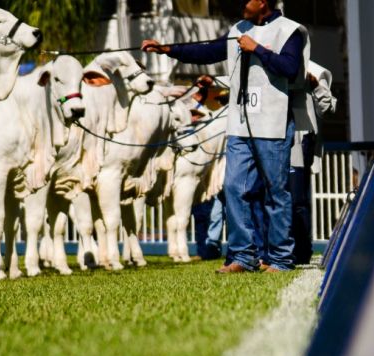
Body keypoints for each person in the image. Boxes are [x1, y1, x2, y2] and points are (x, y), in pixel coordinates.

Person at [143, 0, 309, 273]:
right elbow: (206, 51)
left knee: (275, 193)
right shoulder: (237, 30)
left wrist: (258, 49)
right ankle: (242, 257)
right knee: (233, 187)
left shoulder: (289, 30)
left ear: (262, 2)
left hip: (273, 123)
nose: (240, 4)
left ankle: (280, 258)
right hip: (240, 124)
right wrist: (167, 49)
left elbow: (290, 69)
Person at [289, 61, 337, 264]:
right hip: (270, 137)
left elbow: (328, 108)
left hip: (300, 139)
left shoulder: (315, 69)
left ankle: (301, 251)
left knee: (296, 199)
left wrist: (316, 85)